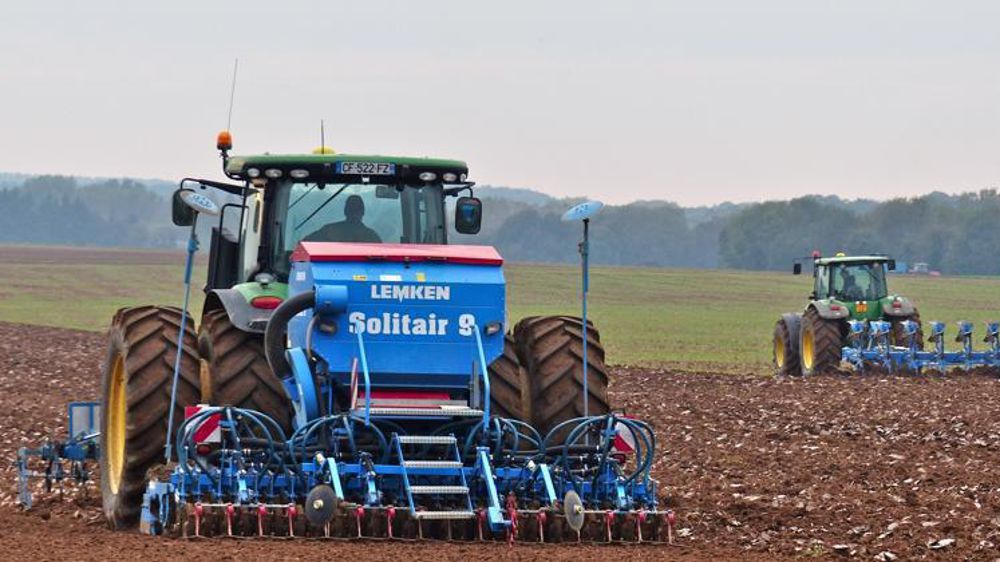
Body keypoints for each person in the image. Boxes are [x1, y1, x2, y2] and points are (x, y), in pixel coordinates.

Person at [304, 194, 382, 243]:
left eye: (355, 209)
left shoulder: (329, 230)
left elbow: (304, 246)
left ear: (345, 211)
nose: (354, 213)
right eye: (352, 209)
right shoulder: (372, 237)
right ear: (363, 212)